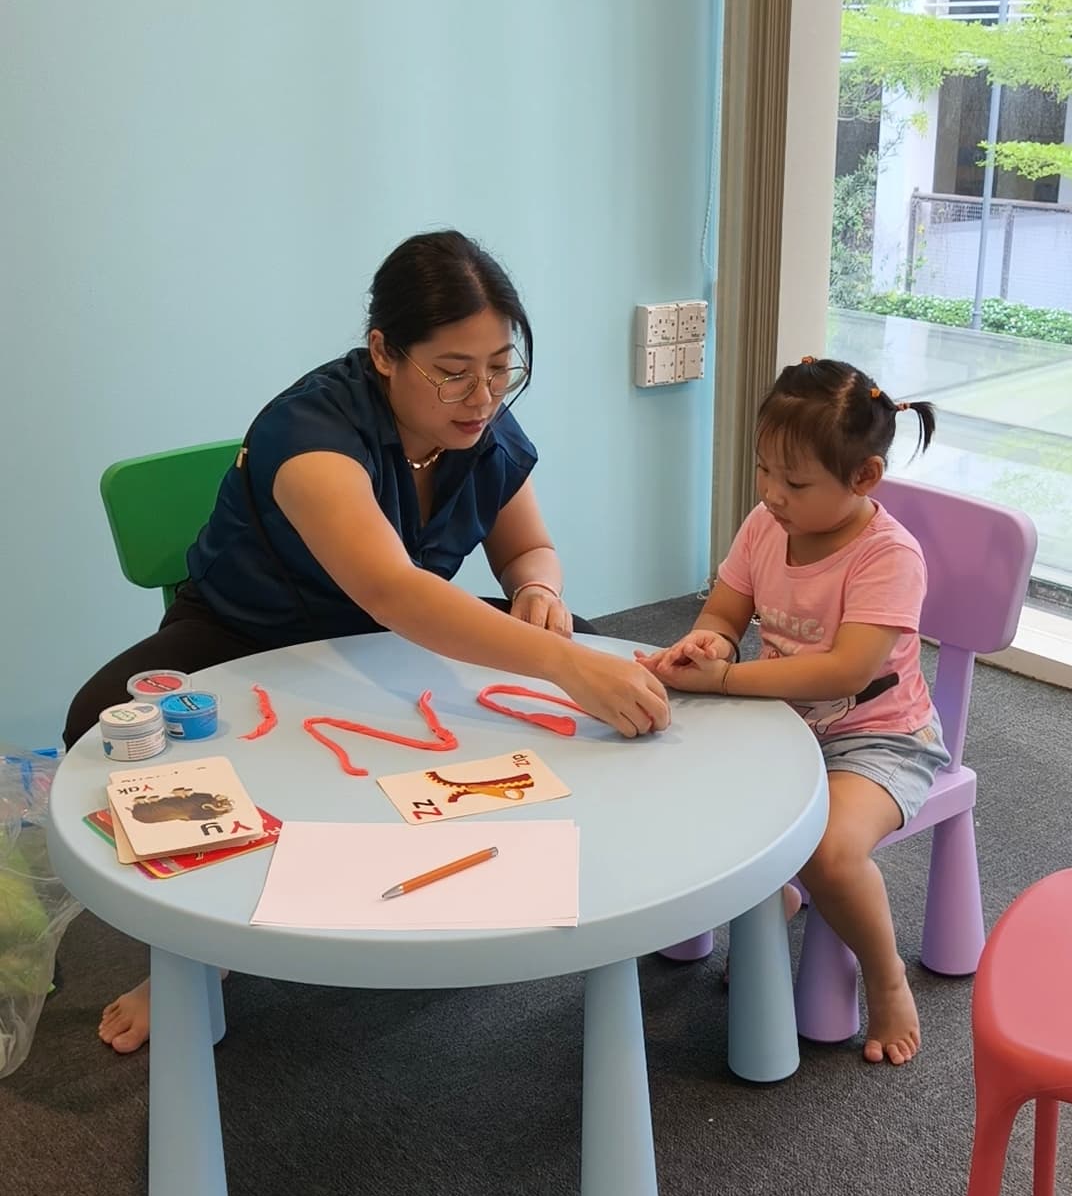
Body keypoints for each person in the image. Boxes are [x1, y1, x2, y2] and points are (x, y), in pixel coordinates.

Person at [65, 228, 670, 1052]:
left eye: (500, 367)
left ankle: (613, 878)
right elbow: (391, 588)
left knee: (604, 653)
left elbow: (526, 546)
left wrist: (539, 593)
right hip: (248, 633)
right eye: (453, 371)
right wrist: (555, 661)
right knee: (98, 721)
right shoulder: (308, 429)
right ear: (384, 351)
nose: (482, 396)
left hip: (396, 638)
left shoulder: (482, 428)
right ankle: (191, 955)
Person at [636, 355, 949, 1068]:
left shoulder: (888, 555)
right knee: (662, 773)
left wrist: (722, 680)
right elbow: (724, 609)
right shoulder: (765, 523)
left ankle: (885, 973)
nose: (772, 494)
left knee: (830, 852)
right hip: (778, 720)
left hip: (879, 739)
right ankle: (768, 896)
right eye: (764, 471)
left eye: (795, 482)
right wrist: (707, 640)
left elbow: (846, 670)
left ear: (863, 479)